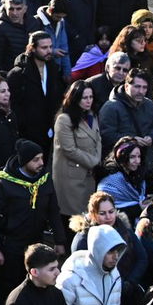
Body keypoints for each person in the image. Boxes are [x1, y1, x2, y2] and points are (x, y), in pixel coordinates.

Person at [0, 140, 67, 305]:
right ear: (24, 162)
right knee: (7, 292)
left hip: (34, 246)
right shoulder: (3, 184)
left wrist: (59, 240)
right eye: (36, 160)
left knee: (33, 291)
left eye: (41, 158)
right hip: (10, 246)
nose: (41, 163)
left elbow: (53, 211)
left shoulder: (44, 181)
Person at [52, 81, 103, 218]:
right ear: (75, 98)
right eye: (84, 98)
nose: (88, 101)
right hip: (72, 178)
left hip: (89, 175)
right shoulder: (64, 119)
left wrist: (97, 160)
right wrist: (94, 162)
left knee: (88, 214)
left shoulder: (92, 115)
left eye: (91, 97)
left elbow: (98, 140)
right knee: (73, 217)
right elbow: (69, 149)